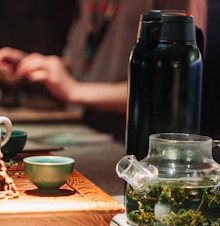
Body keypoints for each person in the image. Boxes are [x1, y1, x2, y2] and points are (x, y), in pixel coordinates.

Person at [0, 0, 207, 140]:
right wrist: (35, 65)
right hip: (87, 131)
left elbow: (173, 92)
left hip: (138, 146)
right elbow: (82, 62)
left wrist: (74, 90)